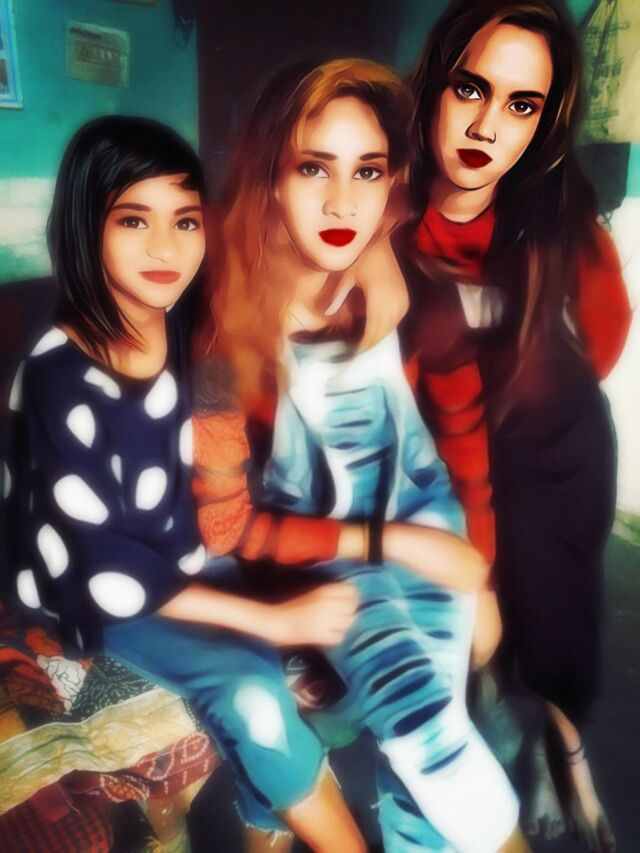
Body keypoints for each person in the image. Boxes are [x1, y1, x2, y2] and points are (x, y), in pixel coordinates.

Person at [2, 115, 367, 853]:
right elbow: (104, 566)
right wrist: (273, 620)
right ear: (85, 227)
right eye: (133, 219)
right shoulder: (57, 376)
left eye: (186, 220)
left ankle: (262, 821)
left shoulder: (176, 322)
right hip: (97, 588)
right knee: (252, 693)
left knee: (363, 635)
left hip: (185, 553)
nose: (166, 248)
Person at [196, 58, 527, 853]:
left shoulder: (416, 292)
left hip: (428, 535)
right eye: (314, 168)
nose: (344, 202)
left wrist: (478, 571)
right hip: (315, 562)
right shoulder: (220, 338)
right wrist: (386, 547)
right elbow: (226, 525)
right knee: (421, 731)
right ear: (271, 179)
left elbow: (463, 441)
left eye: (367, 171)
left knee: (425, 754)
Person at [397, 2, 631, 850]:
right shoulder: (375, 207)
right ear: (435, 83)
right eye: (471, 88)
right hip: (437, 461)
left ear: (543, 123)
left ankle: (566, 754)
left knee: (558, 615)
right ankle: (488, 736)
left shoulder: (559, 212)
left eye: (521, 104)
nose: (488, 126)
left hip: (555, 454)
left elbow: (604, 329)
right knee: (468, 629)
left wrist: (533, 391)